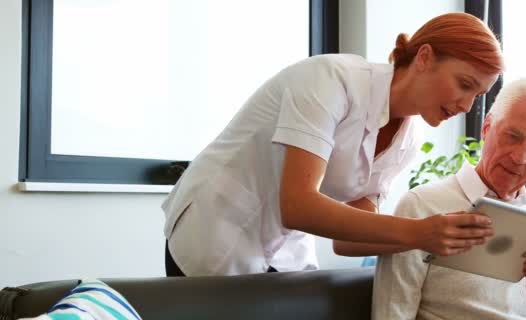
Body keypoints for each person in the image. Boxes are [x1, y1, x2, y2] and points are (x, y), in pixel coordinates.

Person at [162, 12, 504, 277]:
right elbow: (297, 205)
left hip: (285, 249)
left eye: (478, 96)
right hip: (216, 227)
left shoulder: (408, 140)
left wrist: (444, 241)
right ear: (425, 57)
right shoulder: (331, 80)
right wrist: (418, 232)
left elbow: (347, 241)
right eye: (464, 84)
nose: (466, 106)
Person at [372, 78, 526, 319]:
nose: (519, 157)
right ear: (486, 127)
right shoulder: (422, 205)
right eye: (513, 136)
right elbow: (391, 312)